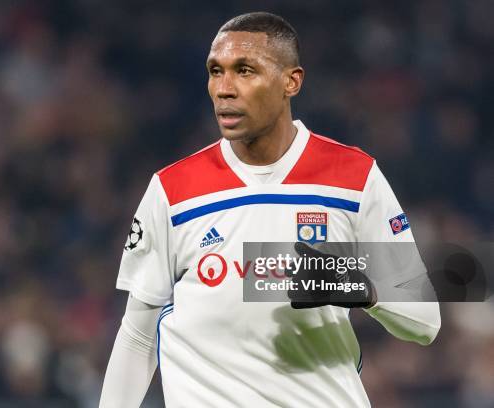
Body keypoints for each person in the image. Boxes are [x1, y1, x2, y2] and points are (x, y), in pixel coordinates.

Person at [100, 12, 440, 408]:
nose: (224, 89)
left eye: (245, 71)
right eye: (216, 71)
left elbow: (425, 320)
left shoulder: (354, 176)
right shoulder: (173, 189)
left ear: (291, 82)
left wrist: (361, 289)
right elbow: (138, 335)